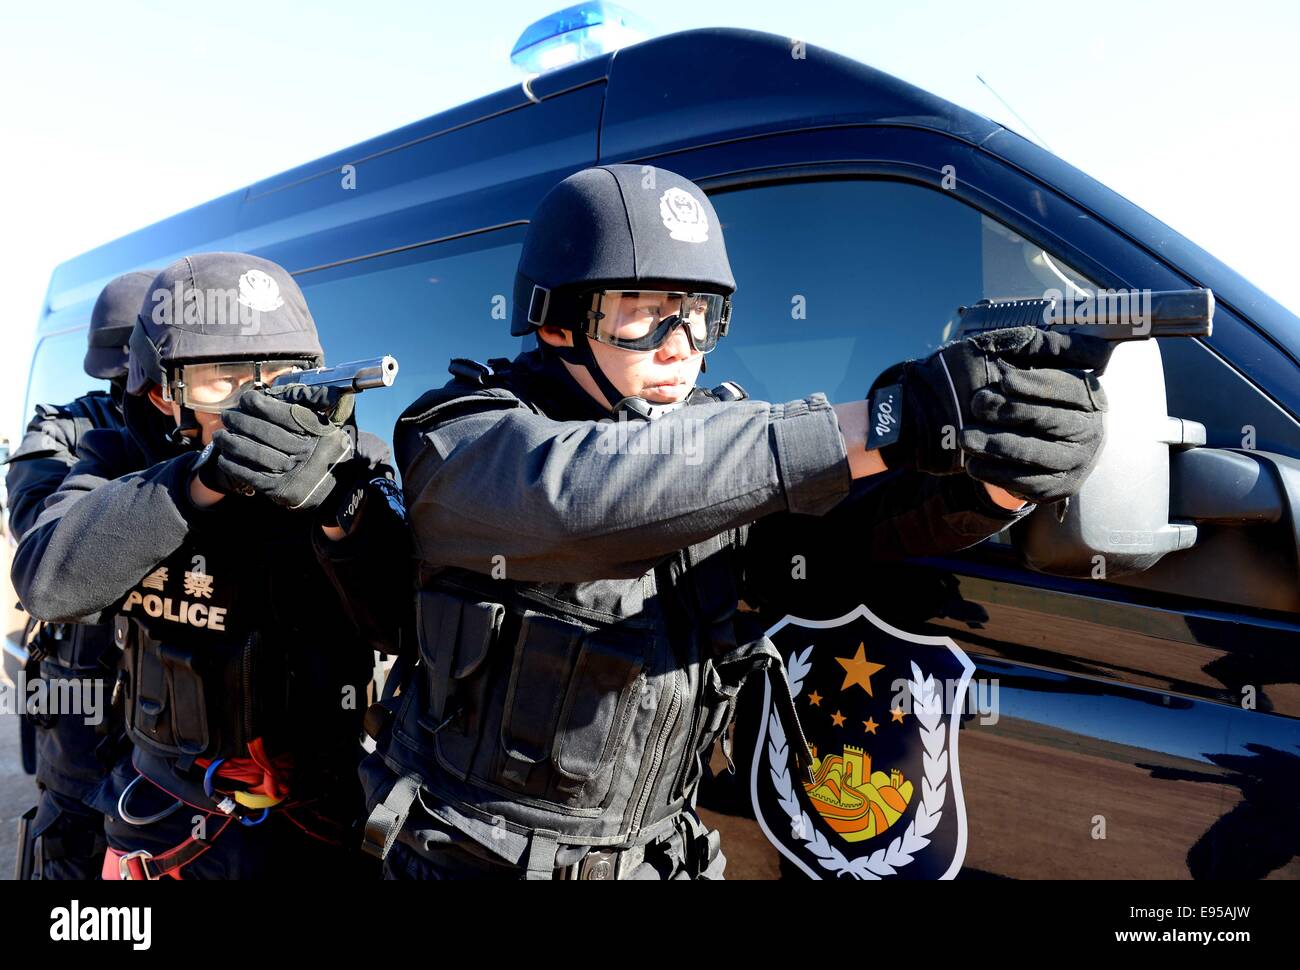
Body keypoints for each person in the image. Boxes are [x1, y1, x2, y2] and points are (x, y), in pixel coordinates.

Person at [358, 164, 1113, 880]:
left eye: (697, 316)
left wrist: (997, 471)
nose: (679, 350)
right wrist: (885, 420)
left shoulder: (728, 442)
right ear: (558, 323)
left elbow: (852, 529)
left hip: (659, 856)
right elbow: (579, 492)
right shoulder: (460, 433)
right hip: (470, 859)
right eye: (644, 317)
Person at [11, 253, 407, 879]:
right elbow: (48, 580)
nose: (255, 397)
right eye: (219, 380)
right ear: (162, 394)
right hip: (170, 813)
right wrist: (201, 479)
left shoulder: (354, 458)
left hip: (326, 811)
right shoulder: (117, 458)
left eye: (278, 373)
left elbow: (405, 627)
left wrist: (340, 508)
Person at [6, 269, 155, 879]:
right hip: (84, 706)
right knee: (74, 856)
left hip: (189, 714)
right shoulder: (64, 429)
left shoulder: (204, 427)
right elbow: (45, 543)